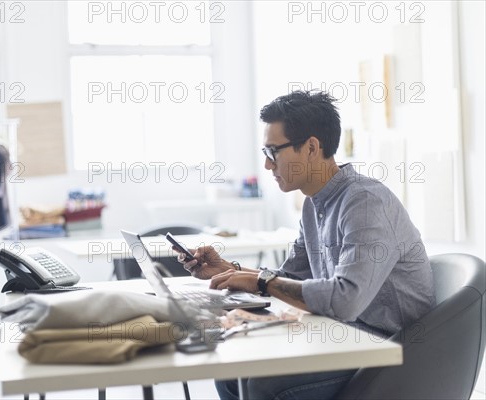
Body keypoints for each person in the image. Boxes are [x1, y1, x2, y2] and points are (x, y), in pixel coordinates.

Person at [176, 90, 436, 400]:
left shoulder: (365, 203)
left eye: (273, 151)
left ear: (311, 147)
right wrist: (230, 269)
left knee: (259, 383)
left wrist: (260, 280)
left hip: (389, 350)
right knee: (231, 374)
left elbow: (345, 300)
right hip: (345, 335)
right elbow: (292, 279)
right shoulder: (315, 205)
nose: (268, 165)